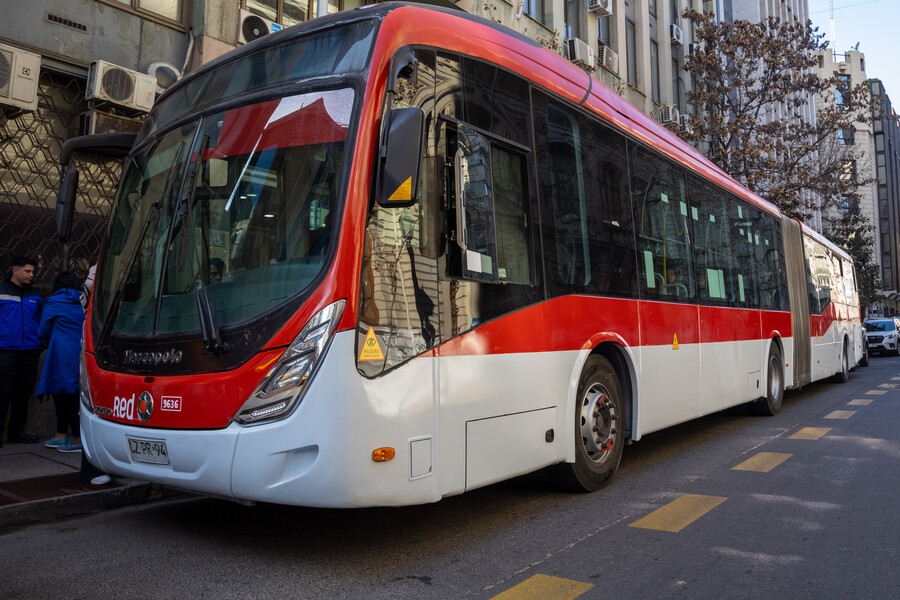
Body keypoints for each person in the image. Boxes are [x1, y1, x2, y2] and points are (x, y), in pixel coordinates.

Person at [38, 271, 86, 452]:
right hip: (80, 351)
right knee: (74, 394)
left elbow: (43, 330)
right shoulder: (83, 301)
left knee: (62, 394)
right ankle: (63, 434)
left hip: (60, 352)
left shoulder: (54, 302)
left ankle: (74, 438)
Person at [0, 256, 42, 445]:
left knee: (23, 392)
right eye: (27, 271)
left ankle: (17, 432)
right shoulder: (2, 291)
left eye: (32, 271)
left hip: (30, 350)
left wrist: (40, 342)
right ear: (15, 270)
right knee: (3, 391)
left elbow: (40, 320)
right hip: (6, 350)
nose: (31, 275)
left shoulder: (35, 294)